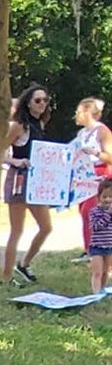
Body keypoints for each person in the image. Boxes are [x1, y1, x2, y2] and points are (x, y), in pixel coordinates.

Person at [1, 84, 53, 283]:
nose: (42, 104)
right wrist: (16, 161)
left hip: (37, 182)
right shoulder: (19, 125)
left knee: (46, 227)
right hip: (19, 180)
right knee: (17, 230)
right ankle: (6, 277)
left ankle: (23, 264)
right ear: (28, 103)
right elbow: (0, 151)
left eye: (45, 100)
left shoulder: (39, 125)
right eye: (38, 100)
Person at [71, 98, 112, 257]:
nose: (76, 115)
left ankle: (98, 249)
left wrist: (95, 153)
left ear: (88, 112)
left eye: (79, 112)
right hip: (83, 175)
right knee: (83, 211)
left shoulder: (102, 131)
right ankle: (88, 248)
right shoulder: (81, 133)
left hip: (99, 173)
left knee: (92, 211)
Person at [87, 175, 112, 293]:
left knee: (105, 271)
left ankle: (102, 290)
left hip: (109, 247)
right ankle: (95, 294)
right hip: (97, 247)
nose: (108, 200)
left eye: (110, 197)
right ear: (99, 197)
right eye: (104, 197)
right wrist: (107, 214)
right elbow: (95, 227)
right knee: (97, 272)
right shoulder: (94, 212)